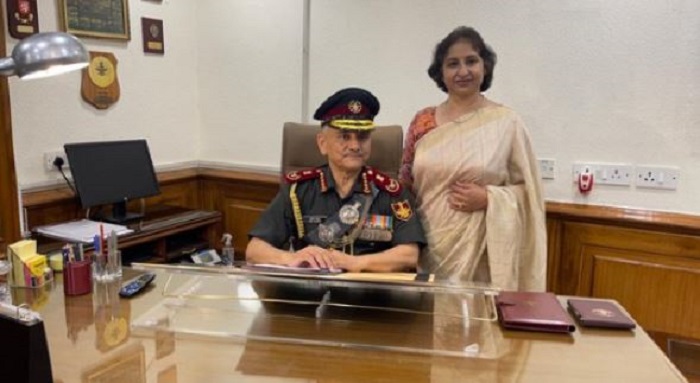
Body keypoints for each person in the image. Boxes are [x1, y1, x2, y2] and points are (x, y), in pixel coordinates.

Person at [399, 26, 546, 291]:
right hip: (425, 244)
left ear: (485, 67)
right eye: (453, 64)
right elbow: (404, 184)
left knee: (476, 324)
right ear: (441, 73)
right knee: (426, 325)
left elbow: (530, 192)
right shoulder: (423, 121)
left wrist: (489, 198)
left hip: (480, 253)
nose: (463, 71)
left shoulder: (507, 123)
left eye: (471, 61)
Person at [247, 88, 427, 272]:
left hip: (370, 293)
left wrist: (355, 263)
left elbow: (410, 254)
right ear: (322, 143)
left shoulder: (391, 192)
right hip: (311, 291)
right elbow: (255, 250)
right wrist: (292, 258)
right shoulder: (297, 190)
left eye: (362, 137)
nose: (355, 145)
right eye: (344, 136)